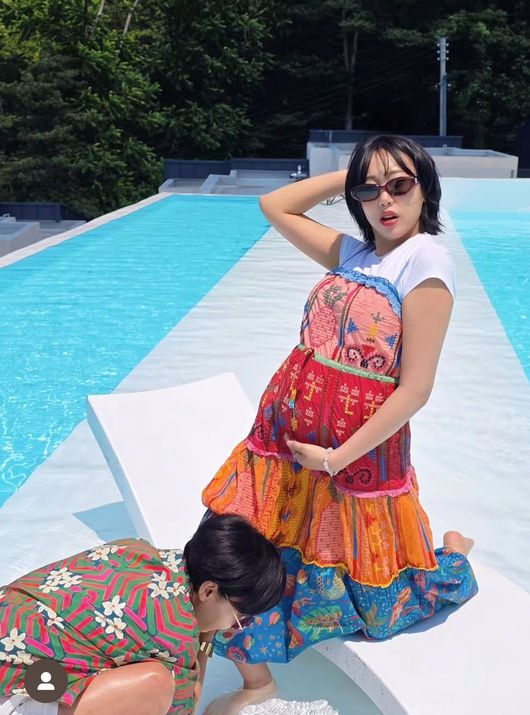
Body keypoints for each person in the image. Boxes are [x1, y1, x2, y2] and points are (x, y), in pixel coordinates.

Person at [201, 134, 478, 715]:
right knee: (242, 547)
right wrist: (353, 176)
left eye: (399, 184)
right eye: (369, 190)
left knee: (378, 601)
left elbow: (415, 388)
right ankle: (255, 676)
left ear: (425, 188)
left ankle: (452, 555)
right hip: (283, 433)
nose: (385, 201)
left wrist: (335, 458)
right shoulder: (356, 253)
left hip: (354, 453)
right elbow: (275, 205)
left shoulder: (426, 262)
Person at [0, 513, 286, 715]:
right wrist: (206, 637)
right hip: (11, 697)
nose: (236, 627)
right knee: (156, 684)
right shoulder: (174, 628)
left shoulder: (138, 550)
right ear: (209, 591)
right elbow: (185, 709)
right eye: (241, 616)